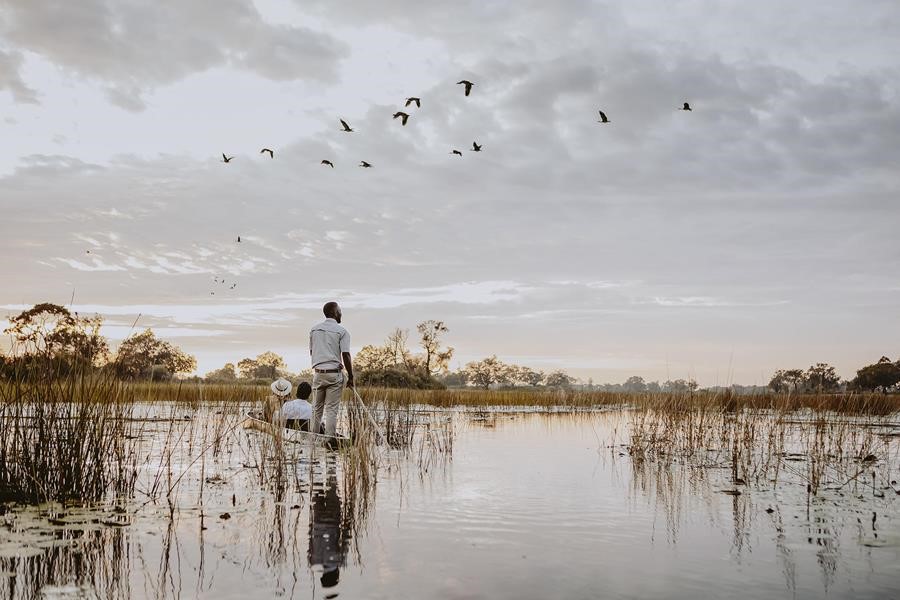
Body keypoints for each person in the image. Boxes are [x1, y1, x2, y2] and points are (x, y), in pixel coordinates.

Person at [309, 301, 354, 439]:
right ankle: (329, 440)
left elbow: (312, 352)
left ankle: (313, 440)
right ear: (335, 313)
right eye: (340, 311)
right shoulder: (342, 331)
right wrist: (351, 376)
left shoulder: (314, 330)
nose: (341, 313)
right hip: (334, 375)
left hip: (318, 374)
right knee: (331, 410)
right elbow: (346, 354)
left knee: (316, 410)